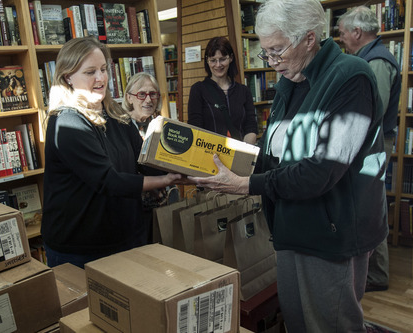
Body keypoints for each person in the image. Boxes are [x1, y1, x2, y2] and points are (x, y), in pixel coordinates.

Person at [185, 0, 388, 331]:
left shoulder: (351, 77)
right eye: (266, 52)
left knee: (330, 324)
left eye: (277, 50)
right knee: (296, 322)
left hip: (331, 233)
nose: (271, 62)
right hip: (290, 225)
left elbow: (320, 171)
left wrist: (244, 185)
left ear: (309, 39)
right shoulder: (291, 80)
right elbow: (271, 151)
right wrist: (217, 161)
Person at [41, 36, 181, 268]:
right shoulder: (67, 122)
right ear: (68, 77)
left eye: (104, 69)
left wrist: (184, 166)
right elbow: (108, 181)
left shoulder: (116, 114)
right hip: (80, 249)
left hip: (126, 237)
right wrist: (164, 180)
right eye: (90, 72)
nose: (101, 78)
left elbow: (143, 160)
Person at [338, 6, 401, 293]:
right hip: (374, 141)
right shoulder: (373, 57)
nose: (340, 39)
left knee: (370, 204)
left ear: (357, 32)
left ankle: (376, 274)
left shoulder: (375, 61)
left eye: (342, 33)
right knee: (370, 202)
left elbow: (375, 109)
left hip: (374, 143)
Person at [122, 72, 168, 241]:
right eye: (141, 94)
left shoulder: (160, 124)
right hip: (133, 210)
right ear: (129, 98)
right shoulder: (121, 127)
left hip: (160, 206)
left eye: (153, 94)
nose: (148, 100)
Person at [187, 36, 258, 145]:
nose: (218, 65)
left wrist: (243, 156)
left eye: (222, 59)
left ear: (231, 58)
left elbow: (251, 127)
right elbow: (195, 129)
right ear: (207, 61)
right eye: (213, 60)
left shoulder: (244, 91)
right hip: (209, 155)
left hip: (239, 155)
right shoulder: (198, 90)